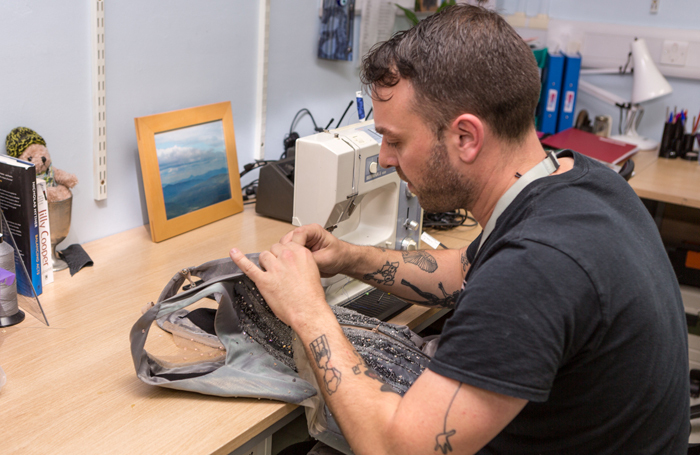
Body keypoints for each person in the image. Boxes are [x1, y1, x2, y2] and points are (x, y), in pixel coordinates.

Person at [230, 5, 689, 454]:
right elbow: (465, 269)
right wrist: (351, 256)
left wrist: (308, 310)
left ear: (465, 137)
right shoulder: (579, 180)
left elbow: (393, 447)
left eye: (395, 140)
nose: (386, 159)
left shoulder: (537, 267)